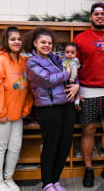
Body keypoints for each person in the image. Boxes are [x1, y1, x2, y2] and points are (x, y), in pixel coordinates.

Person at [73, 2, 104, 187]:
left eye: (103, 13)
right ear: (91, 17)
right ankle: (88, 169)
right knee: (88, 130)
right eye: (96, 14)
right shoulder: (80, 39)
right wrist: (76, 90)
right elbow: (73, 67)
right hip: (87, 91)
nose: (100, 16)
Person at [24, 27, 77, 191]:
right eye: (43, 42)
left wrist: (76, 85)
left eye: (49, 43)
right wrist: (66, 75)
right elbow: (46, 80)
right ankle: (47, 183)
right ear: (35, 43)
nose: (46, 45)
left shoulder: (56, 58)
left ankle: (55, 181)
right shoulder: (31, 62)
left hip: (66, 105)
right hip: (49, 108)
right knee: (51, 144)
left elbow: (73, 73)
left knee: (65, 144)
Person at [0, 26, 33, 191]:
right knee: (0, 146)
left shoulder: (24, 62)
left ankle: (8, 178)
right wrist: (0, 112)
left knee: (15, 147)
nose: (17, 42)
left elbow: (28, 89)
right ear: (6, 41)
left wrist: (26, 109)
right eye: (13, 39)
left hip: (16, 113)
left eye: (19, 39)